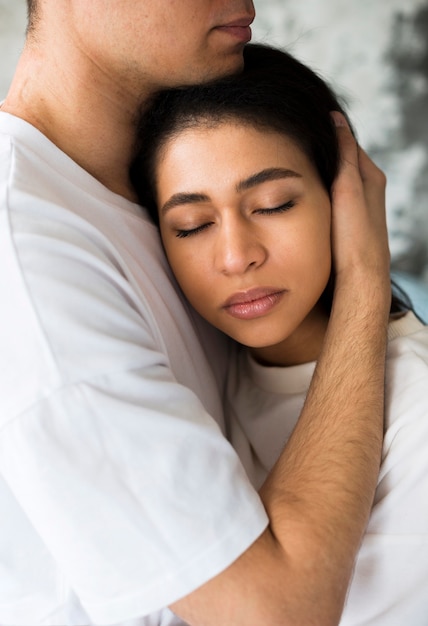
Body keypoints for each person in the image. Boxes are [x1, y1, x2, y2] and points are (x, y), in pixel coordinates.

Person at [0, 1, 391, 624]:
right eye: (194, 225)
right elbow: (275, 613)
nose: (249, 3)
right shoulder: (26, 250)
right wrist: (366, 279)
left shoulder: (133, 187)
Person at [130, 43, 428, 625]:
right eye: (192, 226)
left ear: (346, 203)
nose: (238, 256)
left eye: (273, 204)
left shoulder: (417, 413)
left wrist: (368, 271)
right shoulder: (191, 370)